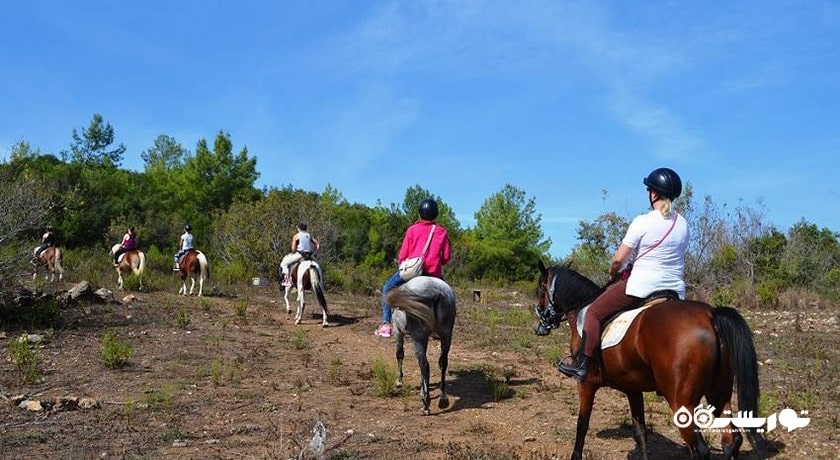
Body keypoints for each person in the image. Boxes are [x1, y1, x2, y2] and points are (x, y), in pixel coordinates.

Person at [557, 167, 689, 381]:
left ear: (653, 193)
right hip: (674, 290)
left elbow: (618, 259)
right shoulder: (683, 224)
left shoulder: (642, 221)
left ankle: (583, 365)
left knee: (594, 313)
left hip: (642, 286)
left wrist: (613, 274)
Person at [375, 198, 451, 338]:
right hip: (434, 273)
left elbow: (403, 255)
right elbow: (446, 258)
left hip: (413, 273)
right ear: (436, 214)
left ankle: (386, 324)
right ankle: (438, 327)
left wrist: (403, 262)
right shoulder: (442, 232)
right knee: (447, 295)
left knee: (387, 288)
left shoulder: (412, 230)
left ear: (420, 213)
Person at [280, 222, 320, 287]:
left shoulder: (296, 236)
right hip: (310, 255)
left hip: (300, 255)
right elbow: (317, 244)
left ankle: (286, 281)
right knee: (318, 267)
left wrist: (295, 249)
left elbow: (293, 249)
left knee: (284, 264)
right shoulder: (309, 235)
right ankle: (320, 281)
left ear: (299, 228)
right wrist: (315, 253)